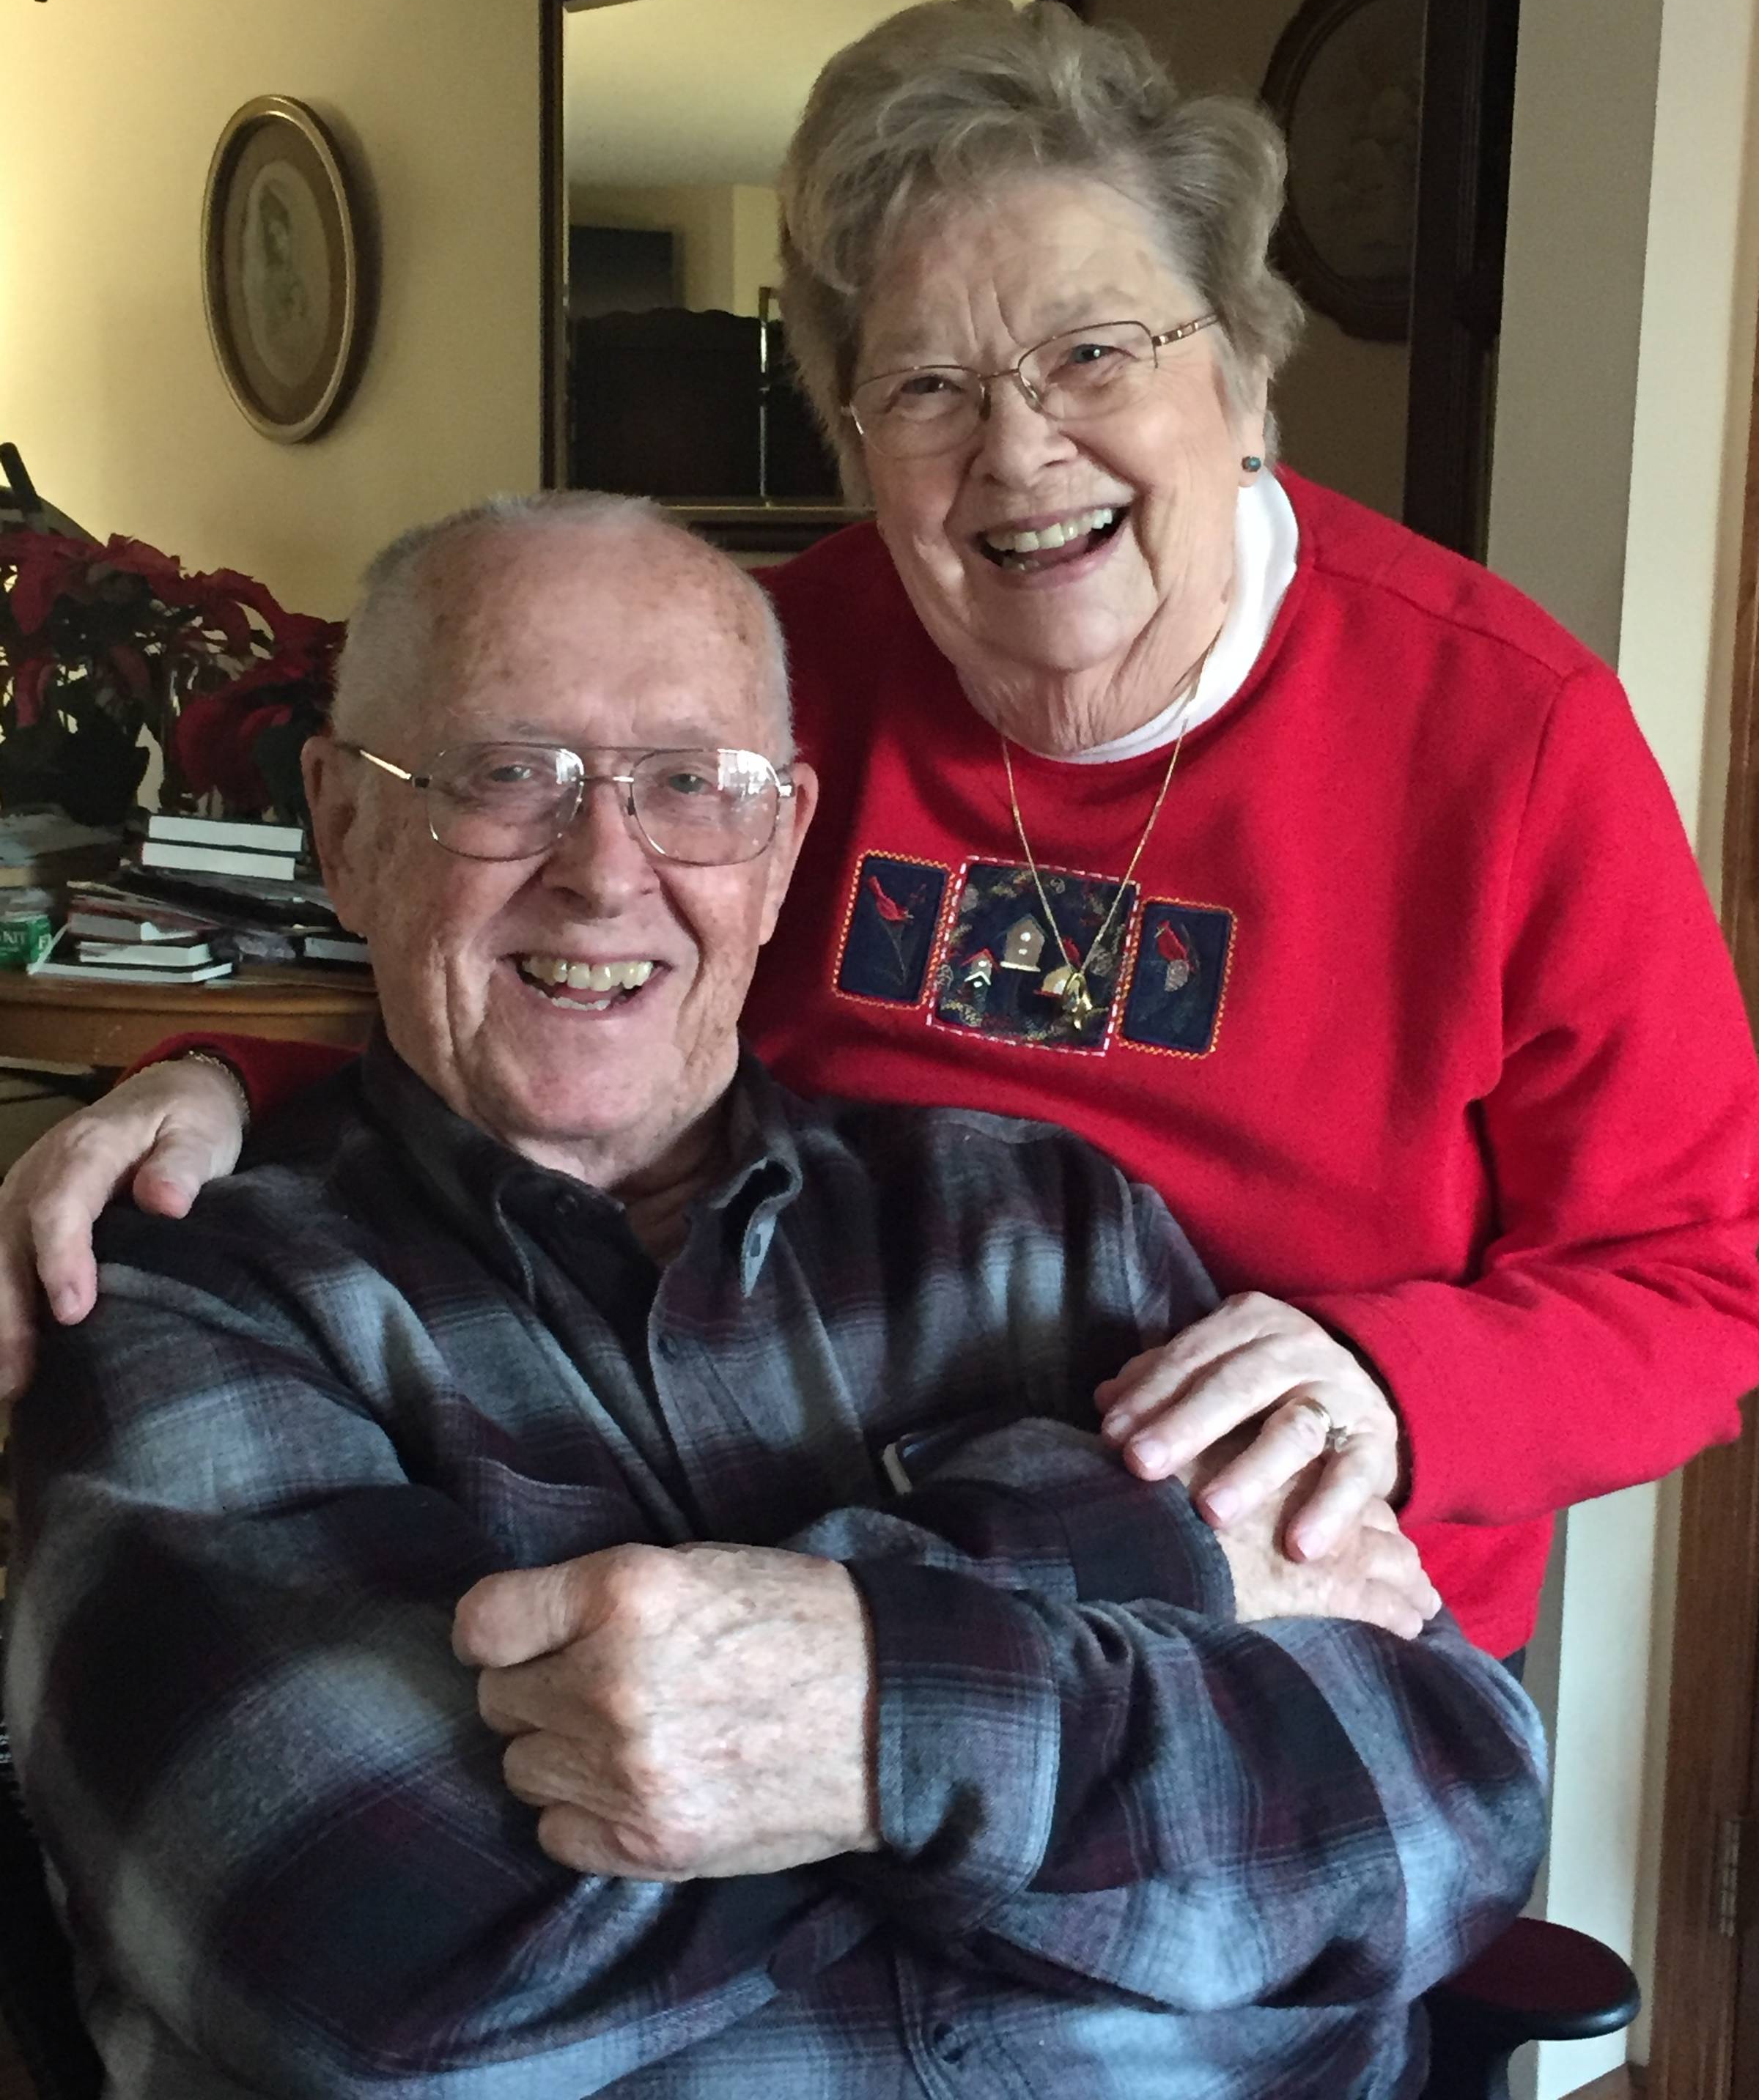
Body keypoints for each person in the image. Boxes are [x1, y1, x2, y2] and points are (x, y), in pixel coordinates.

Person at [5, 0, 1758, 1660]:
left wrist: (1388, 1381)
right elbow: (592, 983)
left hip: (1288, 1622)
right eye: (925, 386)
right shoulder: (777, 675)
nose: (1017, 452)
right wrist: (239, 1085)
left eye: (1092, 352)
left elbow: (1698, 1281)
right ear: (851, 434)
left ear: (1245, 376)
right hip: (815, 1546)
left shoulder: (1503, 732)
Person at [5, 500, 1544, 2099]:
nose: (606, 874)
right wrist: (1114, 1574)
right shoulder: (191, 1283)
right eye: (504, 776)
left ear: (786, 843)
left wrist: (850, 1718)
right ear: (343, 827)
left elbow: (1441, 1799)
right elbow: (384, 1970)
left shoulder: (1038, 1221)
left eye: (693, 787)